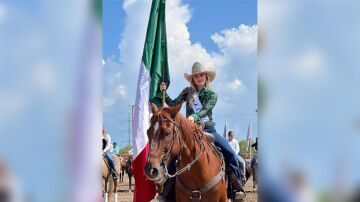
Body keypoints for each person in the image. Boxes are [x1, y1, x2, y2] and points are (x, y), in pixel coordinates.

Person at [160, 62, 245, 199]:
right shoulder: (187, 92)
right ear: (192, 78)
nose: (199, 78)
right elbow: (173, 104)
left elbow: (205, 110)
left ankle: (236, 189)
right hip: (189, 131)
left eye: (201, 75)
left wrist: (194, 116)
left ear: (206, 77)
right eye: (196, 76)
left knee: (232, 155)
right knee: (173, 157)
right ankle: (167, 193)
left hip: (208, 129)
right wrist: (163, 91)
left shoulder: (212, 95)